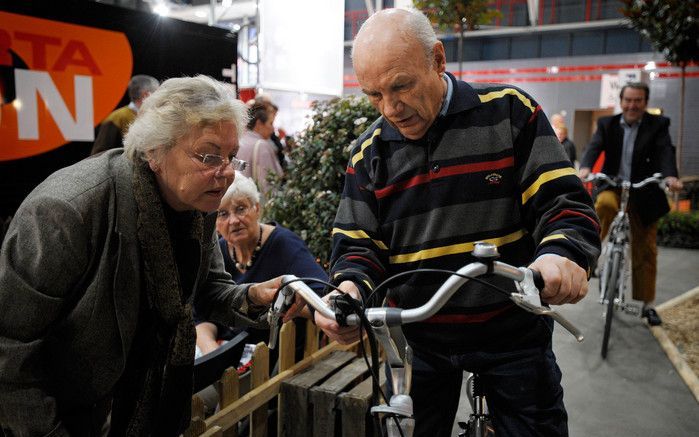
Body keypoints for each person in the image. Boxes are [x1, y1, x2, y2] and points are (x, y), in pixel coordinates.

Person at [313, 9, 600, 437]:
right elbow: (357, 245)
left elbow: (562, 203)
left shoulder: (509, 114)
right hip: (417, 341)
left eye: (401, 86)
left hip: (512, 335)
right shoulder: (369, 153)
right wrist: (350, 289)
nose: (390, 108)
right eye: (374, 95)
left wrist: (561, 253)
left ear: (438, 59)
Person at [0, 75, 301, 437]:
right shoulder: (66, 212)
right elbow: (9, 350)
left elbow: (207, 289)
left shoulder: (198, 202)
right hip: (63, 415)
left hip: (142, 403)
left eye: (230, 157)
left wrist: (254, 297)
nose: (224, 174)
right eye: (208, 156)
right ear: (155, 151)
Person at [579, 82, 682, 326]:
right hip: (613, 185)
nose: (632, 105)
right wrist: (584, 168)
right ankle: (592, 257)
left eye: (637, 100)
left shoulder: (658, 125)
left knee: (645, 247)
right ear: (621, 101)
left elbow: (666, 150)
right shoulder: (607, 124)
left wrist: (670, 176)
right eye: (628, 100)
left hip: (644, 190)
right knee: (602, 205)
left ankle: (648, 305)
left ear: (645, 102)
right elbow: (594, 147)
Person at [196, 171, 327, 362]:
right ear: (215, 222)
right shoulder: (219, 250)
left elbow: (322, 297)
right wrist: (214, 355)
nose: (233, 221)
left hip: (278, 360)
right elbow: (200, 313)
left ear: (257, 209)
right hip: (227, 355)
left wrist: (285, 303)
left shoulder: (284, 244)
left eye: (241, 209)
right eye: (223, 214)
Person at [90, 74, 159, 155]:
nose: (160, 97)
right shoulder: (116, 118)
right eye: (157, 93)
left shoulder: (157, 117)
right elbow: (98, 154)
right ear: (146, 95)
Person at [237, 102, 283, 198]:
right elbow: (268, 185)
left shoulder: (239, 141)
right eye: (270, 123)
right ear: (259, 124)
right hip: (255, 202)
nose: (272, 129)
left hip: (237, 197)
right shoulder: (262, 146)